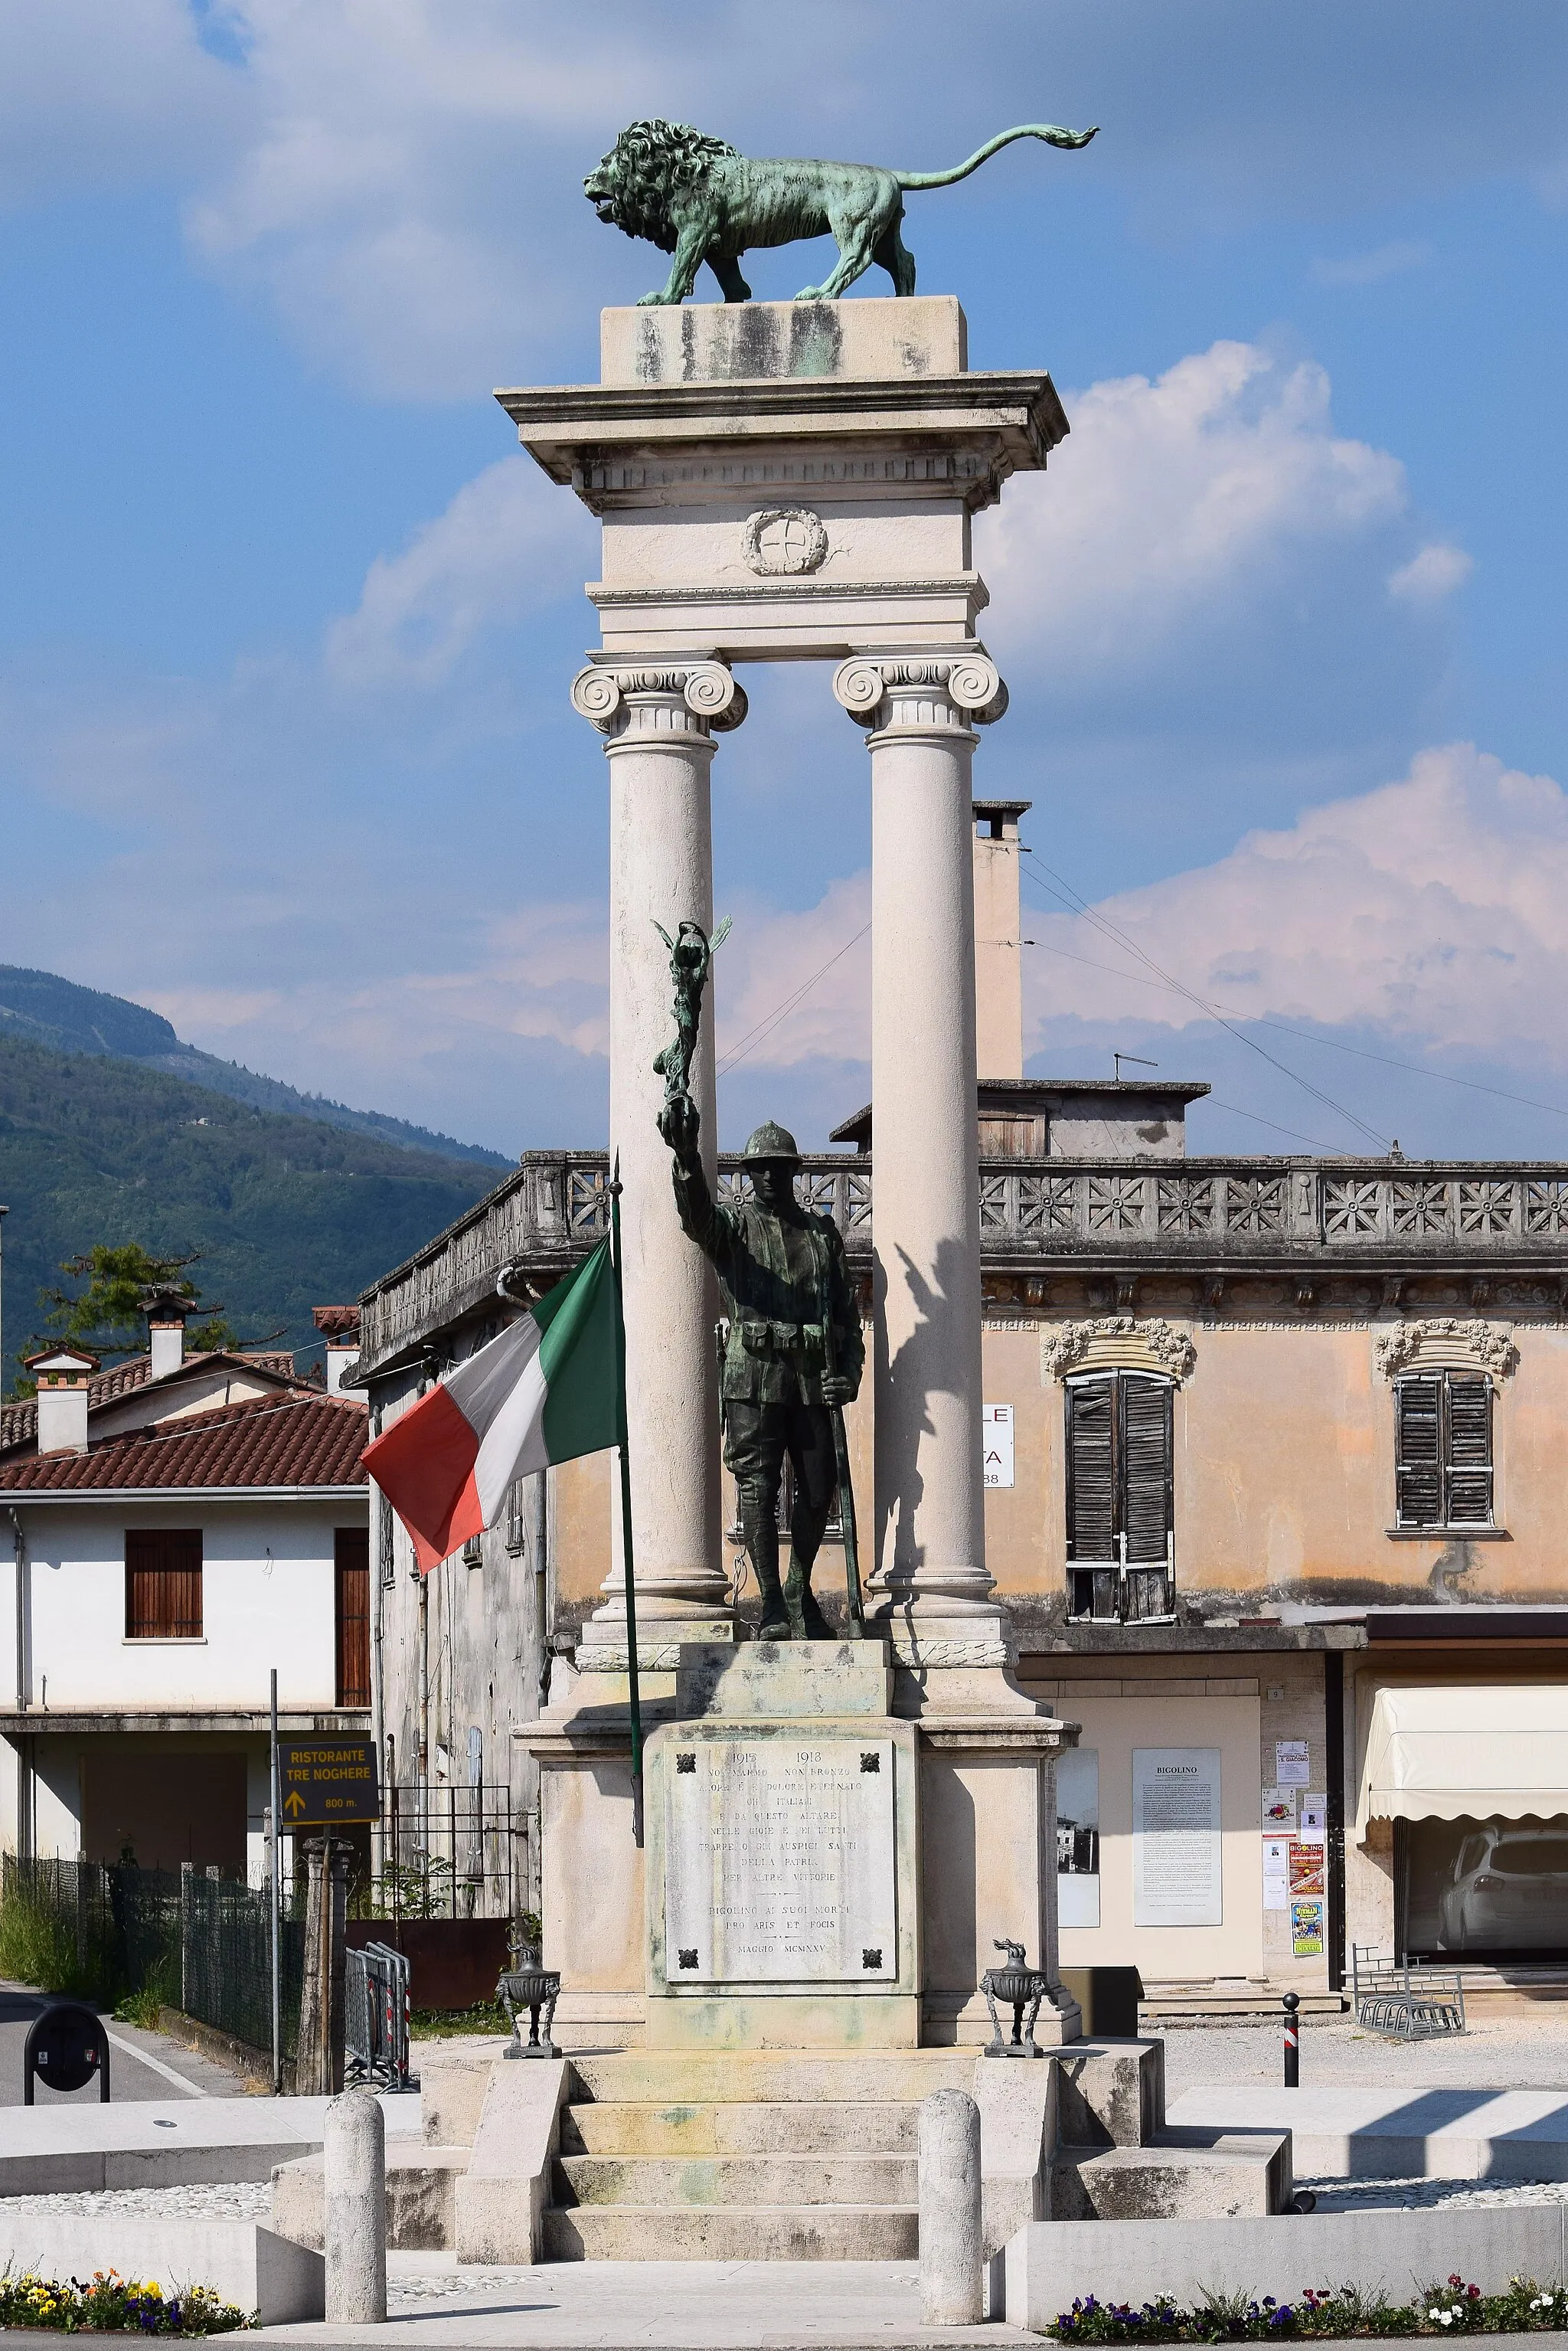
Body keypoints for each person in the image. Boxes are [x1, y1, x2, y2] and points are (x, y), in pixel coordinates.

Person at [656, 1094, 863, 1639]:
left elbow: (848, 1315)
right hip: (752, 1374)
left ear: (793, 1172)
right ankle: (770, 1600)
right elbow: (696, 1217)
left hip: (811, 1379)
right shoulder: (734, 1228)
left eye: (778, 1167)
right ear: (748, 1174)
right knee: (758, 1490)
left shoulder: (821, 1236)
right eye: (759, 1168)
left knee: (821, 1489)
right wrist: (684, 1156)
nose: (769, 1176)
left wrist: (850, 1372)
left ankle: (799, 1585)